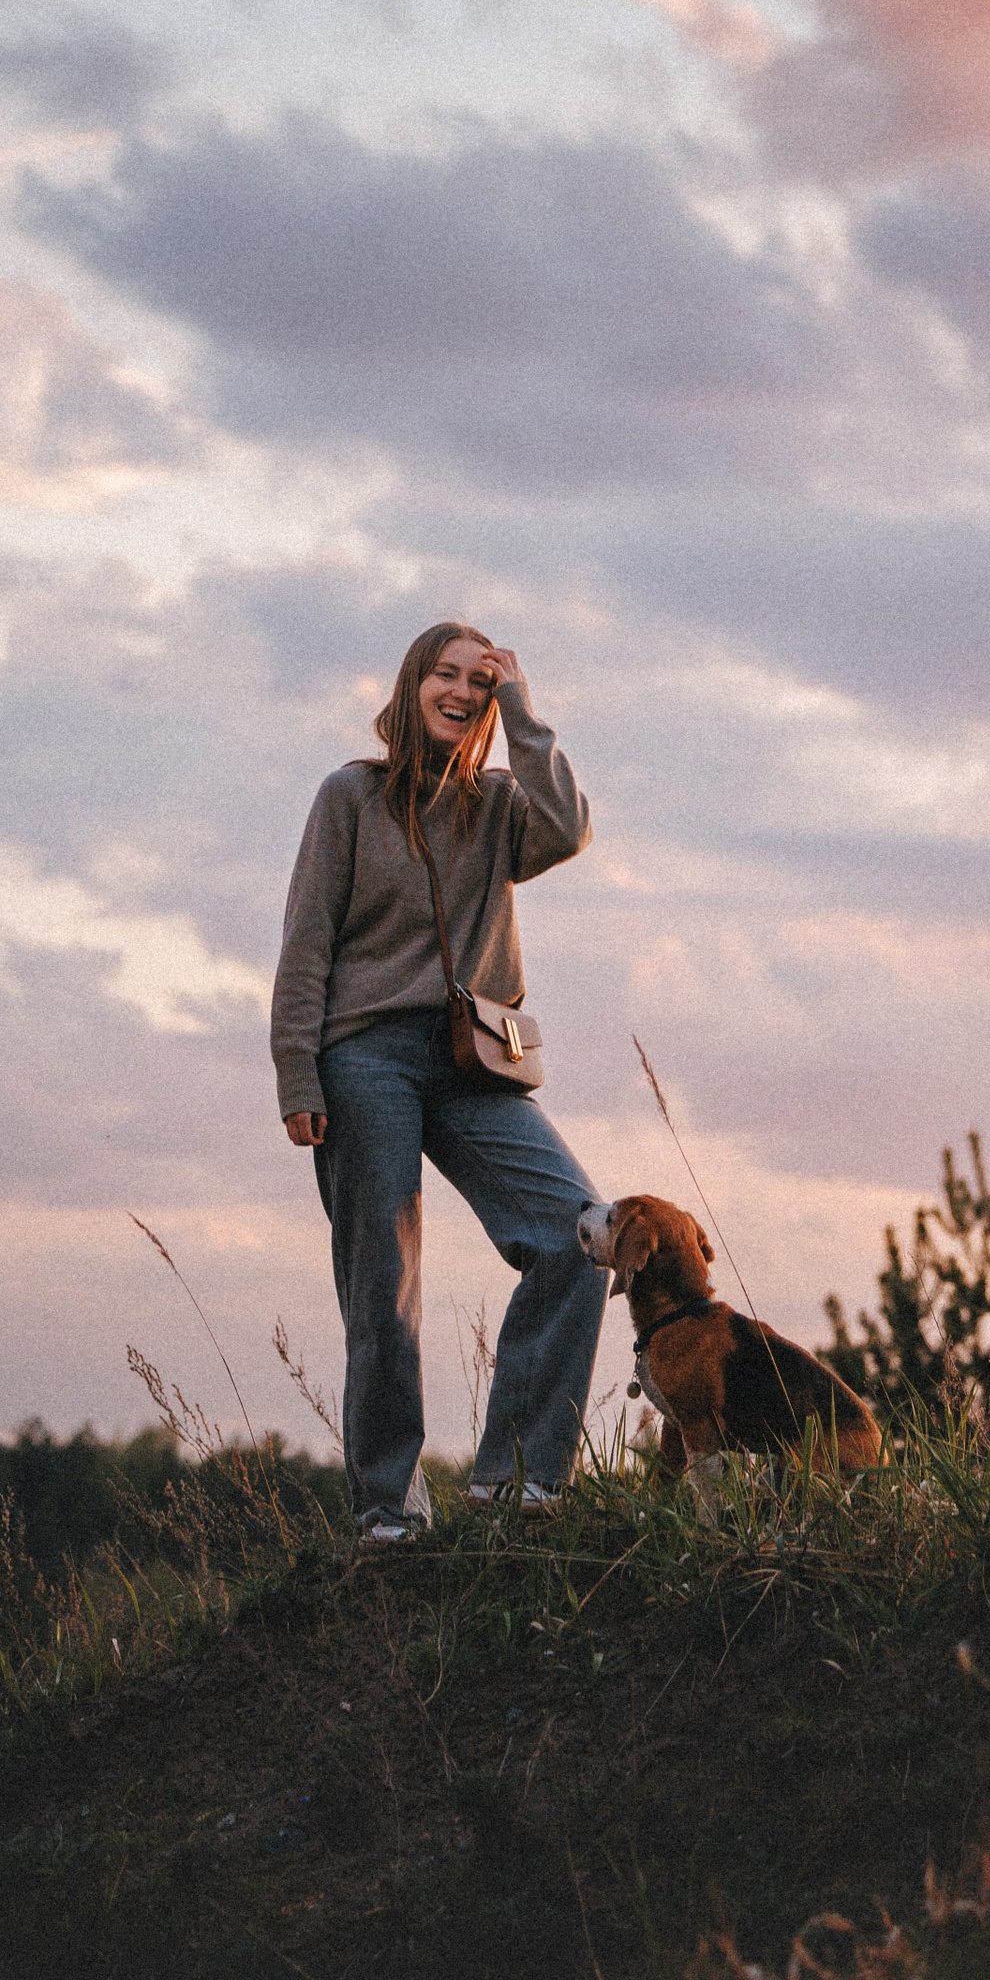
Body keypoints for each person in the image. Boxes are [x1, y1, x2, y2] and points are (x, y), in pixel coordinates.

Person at [271, 621, 606, 1545]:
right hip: (362, 1054)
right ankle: (389, 1509)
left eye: (479, 682)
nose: (461, 692)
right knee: (384, 1285)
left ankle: (518, 1485)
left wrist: (528, 710)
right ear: (413, 685)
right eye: (445, 676)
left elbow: (570, 829)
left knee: (577, 1234)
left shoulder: (502, 807)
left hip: (474, 1061)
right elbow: (305, 941)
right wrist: (297, 1070)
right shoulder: (349, 795)